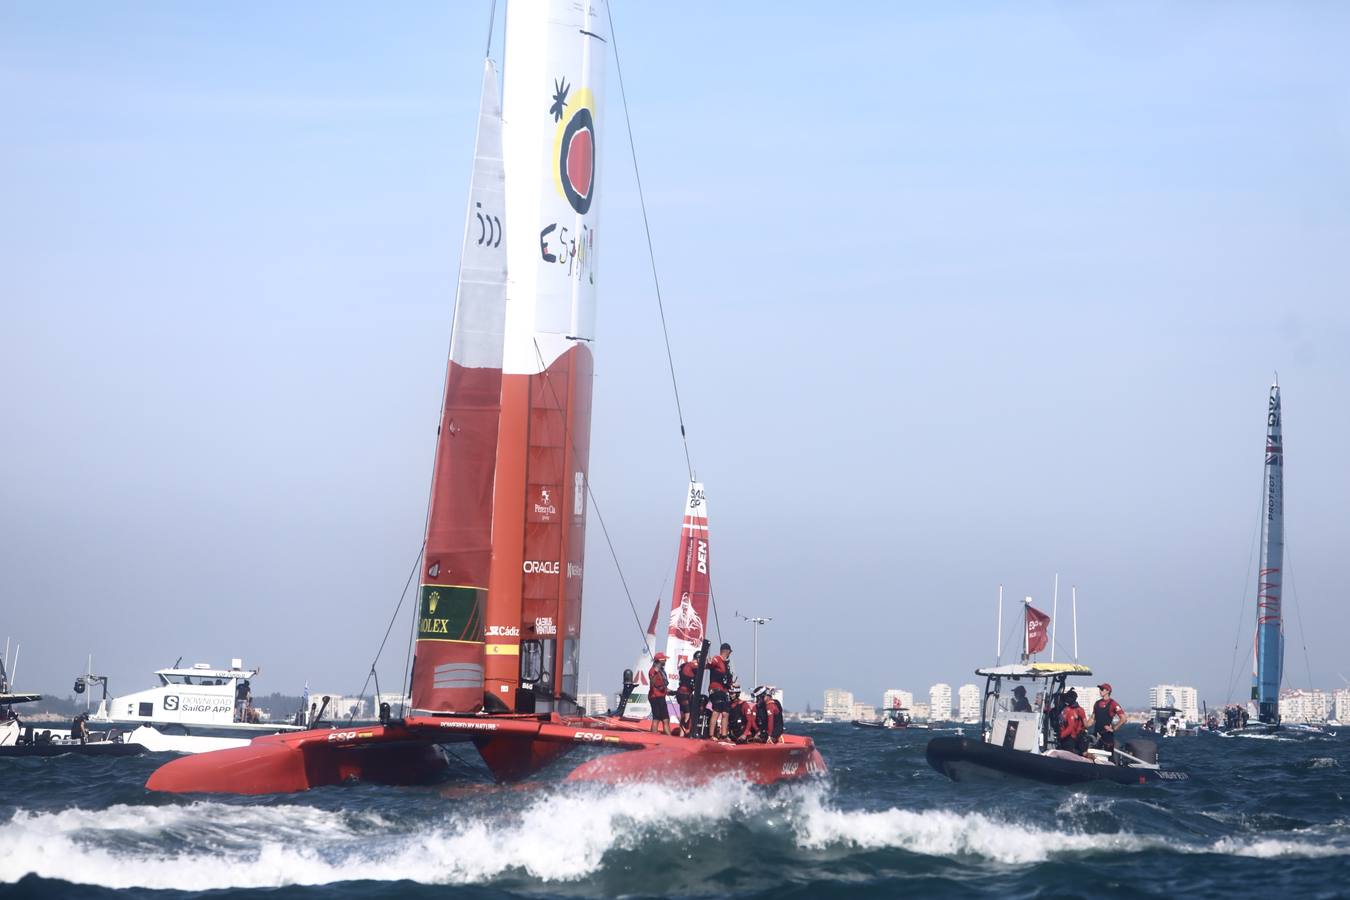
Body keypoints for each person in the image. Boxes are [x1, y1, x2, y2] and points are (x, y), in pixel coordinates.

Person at [707, 643, 733, 740]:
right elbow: (710, 663)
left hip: (724, 691)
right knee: (716, 711)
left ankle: (724, 735)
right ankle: (711, 735)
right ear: (726, 651)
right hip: (716, 689)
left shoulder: (726, 664)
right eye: (729, 652)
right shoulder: (717, 659)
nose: (730, 653)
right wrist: (709, 661)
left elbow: (728, 679)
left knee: (725, 713)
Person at [1091, 682, 1127, 752]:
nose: (1100, 691)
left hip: (1107, 736)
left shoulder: (1113, 703)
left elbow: (1123, 719)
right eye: (1100, 689)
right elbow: (1092, 718)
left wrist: (1114, 728)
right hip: (1096, 735)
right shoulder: (1097, 703)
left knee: (1109, 758)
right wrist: (1084, 726)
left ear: (1108, 691)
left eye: (1102, 689)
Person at [676, 651, 700, 736]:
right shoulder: (691, 665)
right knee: (687, 715)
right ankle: (686, 732)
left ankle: (681, 735)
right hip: (684, 693)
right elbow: (700, 667)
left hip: (681, 693)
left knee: (683, 714)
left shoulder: (685, 665)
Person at [1057, 689, 1088, 754]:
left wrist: (1061, 736)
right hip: (1075, 737)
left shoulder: (1069, 710)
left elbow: (1070, 728)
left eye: (1067, 697)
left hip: (1070, 738)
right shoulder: (1080, 709)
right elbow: (1086, 725)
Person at [648, 652, 671, 734]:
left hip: (660, 696)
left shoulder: (661, 671)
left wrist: (668, 691)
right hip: (655, 697)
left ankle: (661, 736)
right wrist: (655, 672)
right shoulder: (653, 670)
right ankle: (668, 738)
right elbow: (652, 683)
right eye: (664, 659)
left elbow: (662, 684)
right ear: (660, 661)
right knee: (660, 718)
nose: (665, 661)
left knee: (663, 718)